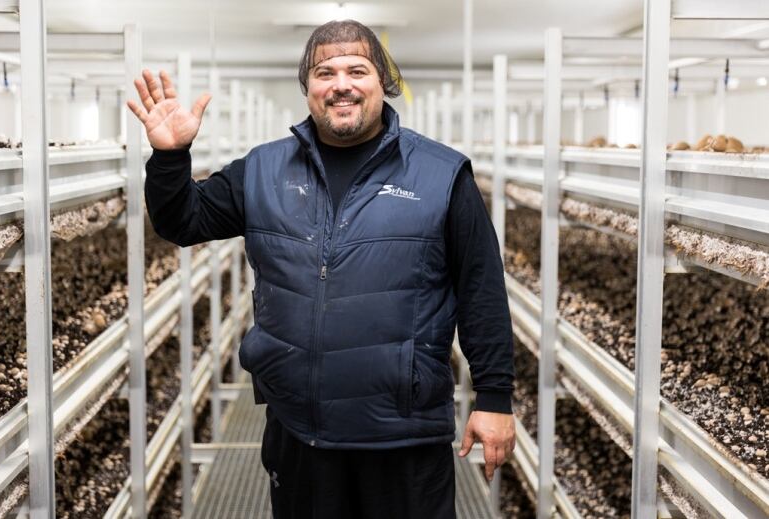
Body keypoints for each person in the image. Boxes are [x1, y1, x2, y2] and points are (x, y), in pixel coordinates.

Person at [128, 19, 515, 519]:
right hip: (299, 430)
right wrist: (169, 157)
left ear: (383, 82)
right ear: (308, 88)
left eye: (358, 69)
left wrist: (494, 397)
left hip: (404, 434)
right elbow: (183, 221)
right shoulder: (263, 170)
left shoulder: (442, 174)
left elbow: (480, 288)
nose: (341, 84)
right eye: (324, 72)